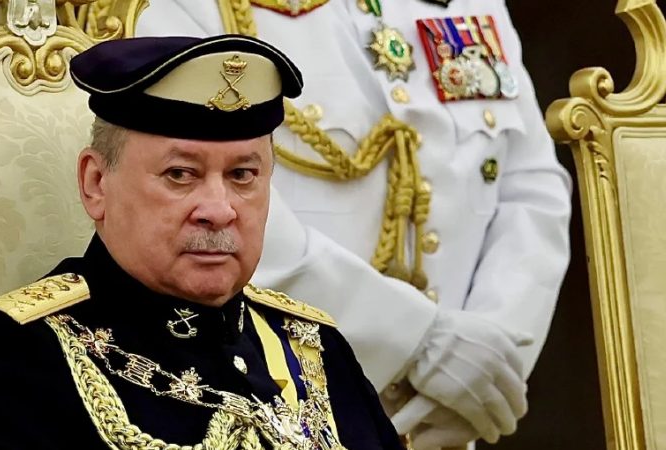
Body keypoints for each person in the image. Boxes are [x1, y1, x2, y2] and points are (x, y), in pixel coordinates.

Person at [132, 1, 572, 448]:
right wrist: (414, 340)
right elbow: (192, 206)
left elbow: (530, 187)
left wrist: (489, 366)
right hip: (273, 408)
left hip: (448, 422)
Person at [0, 34, 406, 450]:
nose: (219, 209)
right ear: (96, 183)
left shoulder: (314, 348)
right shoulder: (15, 358)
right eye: (180, 174)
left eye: (243, 175)